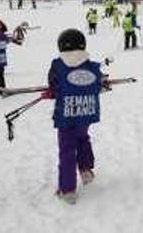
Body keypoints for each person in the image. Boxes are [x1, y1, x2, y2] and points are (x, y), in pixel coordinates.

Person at [44, 29, 103, 204]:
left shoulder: (57, 66)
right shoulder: (93, 66)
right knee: (83, 138)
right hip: (86, 113)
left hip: (67, 116)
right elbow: (97, 85)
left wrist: (54, 92)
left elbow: (54, 87)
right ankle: (86, 170)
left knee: (67, 150)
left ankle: (67, 189)